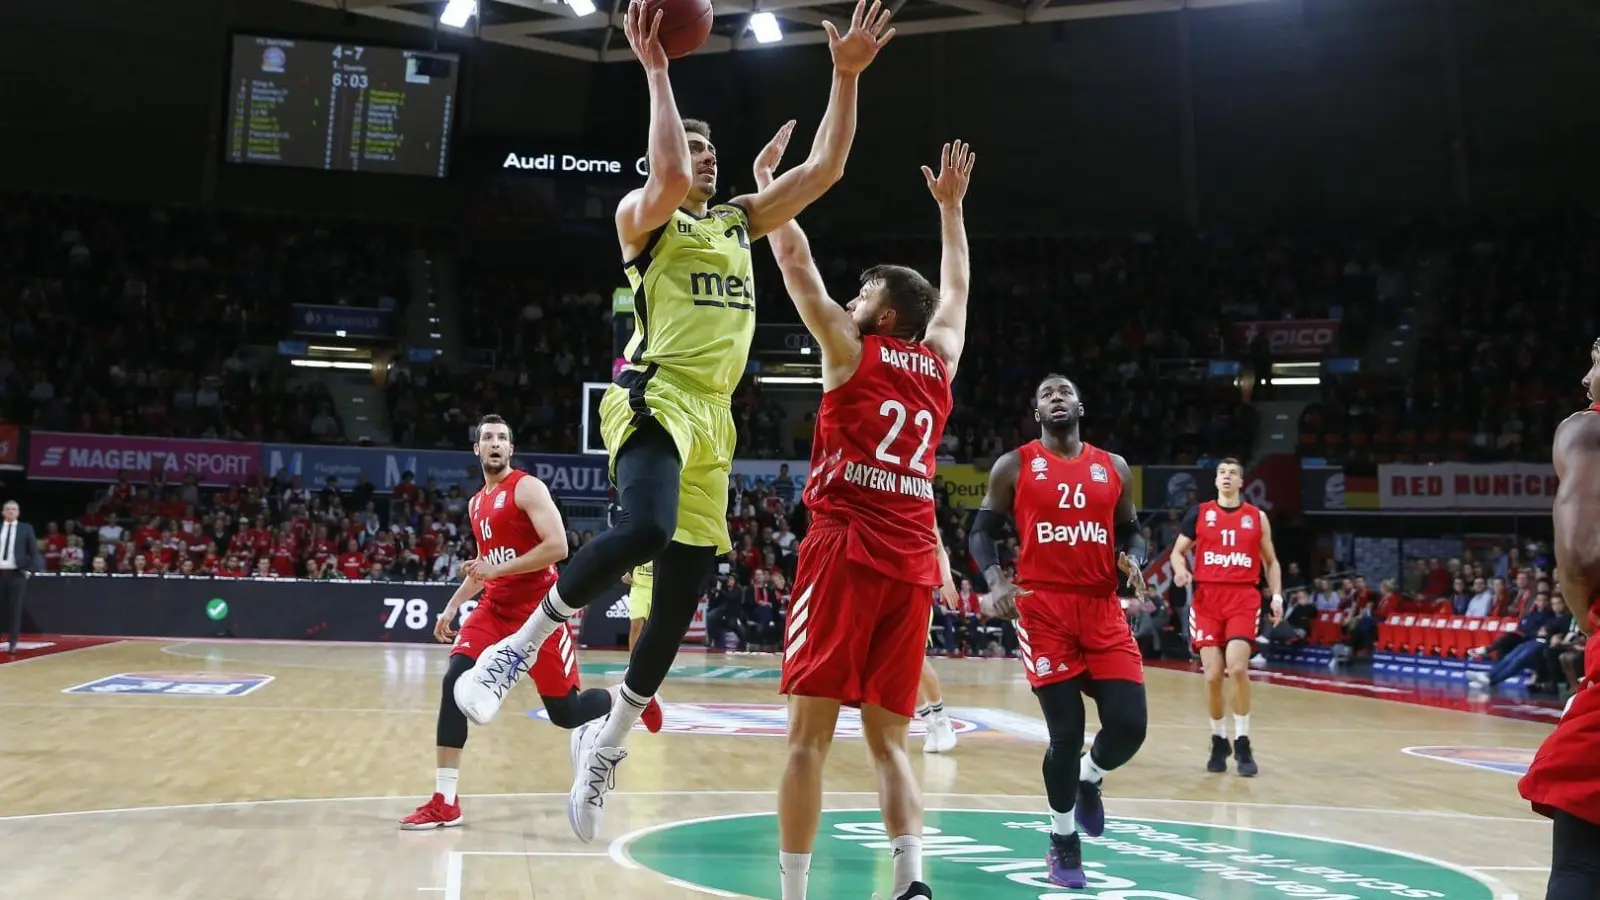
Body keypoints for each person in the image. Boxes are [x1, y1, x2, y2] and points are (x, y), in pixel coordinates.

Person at [451, 0, 897, 844]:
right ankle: (513, 650)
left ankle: (606, 749)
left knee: (680, 599)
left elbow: (827, 167)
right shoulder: (642, 219)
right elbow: (662, 176)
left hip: (717, 419)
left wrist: (844, 78)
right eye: (692, 149)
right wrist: (656, 68)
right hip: (654, 394)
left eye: (710, 152)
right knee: (646, 526)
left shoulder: (736, 221)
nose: (702, 161)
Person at [763, 126, 974, 900]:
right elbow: (955, 296)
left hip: (846, 548)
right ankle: (910, 881)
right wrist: (950, 211)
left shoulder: (851, 352)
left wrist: (773, 187)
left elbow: (792, 260)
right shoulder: (940, 361)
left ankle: (793, 892)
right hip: (913, 559)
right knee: (890, 743)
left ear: (884, 319)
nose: (849, 302)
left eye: (862, 297)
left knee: (808, 739)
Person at [400, 416, 660, 830]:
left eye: (502, 437)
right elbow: (487, 567)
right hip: (494, 609)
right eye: (487, 438)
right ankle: (444, 800)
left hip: (541, 613)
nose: (495, 444)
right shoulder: (476, 503)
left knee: (566, 712)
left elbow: (557, 547)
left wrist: (497, 572)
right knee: (454, 681)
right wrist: (451, 607)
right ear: (477, 449)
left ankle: (629, 695)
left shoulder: (526, 487)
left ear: (511, 448)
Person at [967, 375, 1149, 890]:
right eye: (1046, 394)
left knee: (1130, 726)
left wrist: (1133, 557)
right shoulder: (1015, 465)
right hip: (1043, 610)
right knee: (1065, 735)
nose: (1056, 397)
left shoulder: (1113, 467)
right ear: (1037, 412)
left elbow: (1132, 530)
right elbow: (981, 532)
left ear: (1079, 406)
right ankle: (1062, 840)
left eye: (1065, 391)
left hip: (1102, 607)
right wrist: (997, 579)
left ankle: (1092, 779)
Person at [1518, 337, 1600, 900]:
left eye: (1597, 359)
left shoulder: (1588, 429)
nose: (1586, 376)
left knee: (1580, 865)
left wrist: (1589, 623)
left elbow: (1579, 555)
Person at [1167, 458, 1283, 777]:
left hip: (1243, 598)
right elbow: (1178, 552)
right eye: (1222, 473)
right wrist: (1180, 571)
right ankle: (1219, 740)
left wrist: (1276, 596)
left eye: (1233, 473)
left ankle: (1242, 740)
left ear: (1241, 482)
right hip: (1206, 600)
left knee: (1237, 667)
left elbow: (1271, 562)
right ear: (1216, 481)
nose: (1227, 477)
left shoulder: (1256, 517)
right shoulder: (1200, 513)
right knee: (1213, 675)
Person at [0, 500, 43, 654]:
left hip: (16, 574)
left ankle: (12, 643)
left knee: (15, 609)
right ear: (3, 512)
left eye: (14, 509)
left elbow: (33, 552)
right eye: (8, 509)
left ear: (18, 512)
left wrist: (29, 570)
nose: (11, 511)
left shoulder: (26, 528)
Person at [622, 562, 653, 648]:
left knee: (655, 628)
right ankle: (633, 659)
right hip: (638, 587)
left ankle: (655, 658)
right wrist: (627, 571)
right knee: (635, 625)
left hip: (657, 589)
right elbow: (631, 557)